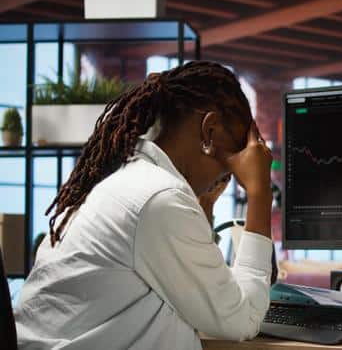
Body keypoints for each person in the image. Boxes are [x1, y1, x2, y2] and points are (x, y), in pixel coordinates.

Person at [14, 61, 273, 350]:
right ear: (209, 132)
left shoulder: (129, 180)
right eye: (236, 150)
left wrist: (204, 209)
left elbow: (197, 292)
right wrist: (260, 193)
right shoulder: (159, 198)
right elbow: (241, 320)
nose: (235, 169)